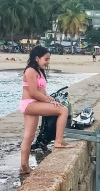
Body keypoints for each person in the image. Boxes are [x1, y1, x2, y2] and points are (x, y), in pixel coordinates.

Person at [19, 45, 75, 175]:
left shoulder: (38, 71)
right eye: (46, 59)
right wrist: (49, 101)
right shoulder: (30, 71)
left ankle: (24, 166)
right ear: (37, 58)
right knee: (63, 110)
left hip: (34, 103)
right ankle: (59, 141)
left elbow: (42, 91)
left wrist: (50, 98)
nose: (48, 62)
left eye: (49, 59)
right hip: (29, 103)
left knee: (29, 136)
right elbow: (33, 92)